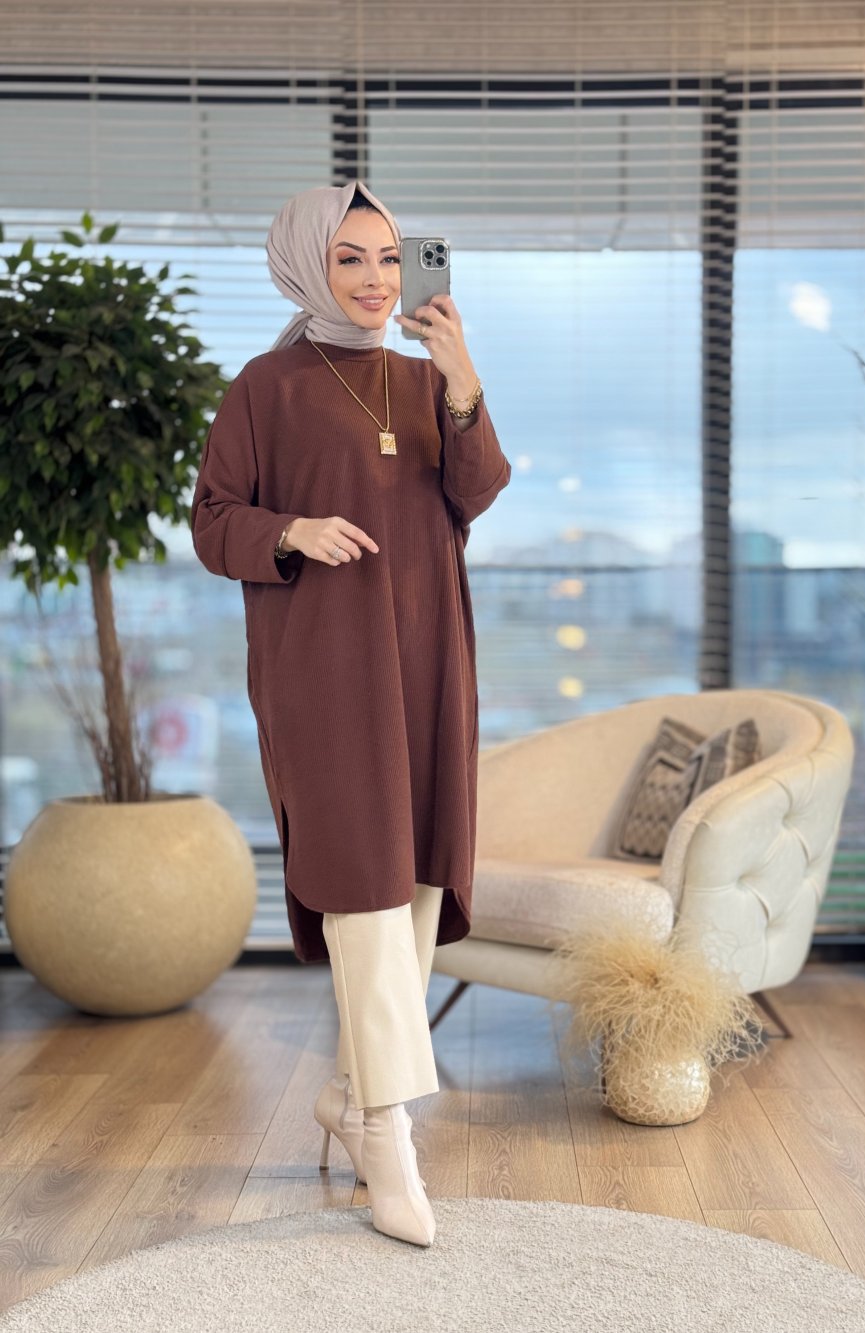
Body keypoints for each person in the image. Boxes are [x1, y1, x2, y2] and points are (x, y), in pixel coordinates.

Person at [190, 180, 511, 1248]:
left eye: (387, 258)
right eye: (349, 259)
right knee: (363, 882)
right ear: (306, 266)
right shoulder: (266, 387)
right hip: (324, 670)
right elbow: (212, 520)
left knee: (412, 882)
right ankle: (389, 1134)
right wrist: (291, 532)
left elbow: (475, 491)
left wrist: (461, 376)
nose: (375, 280)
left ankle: (348, 1093)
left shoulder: (426, 381)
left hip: (429, 660)